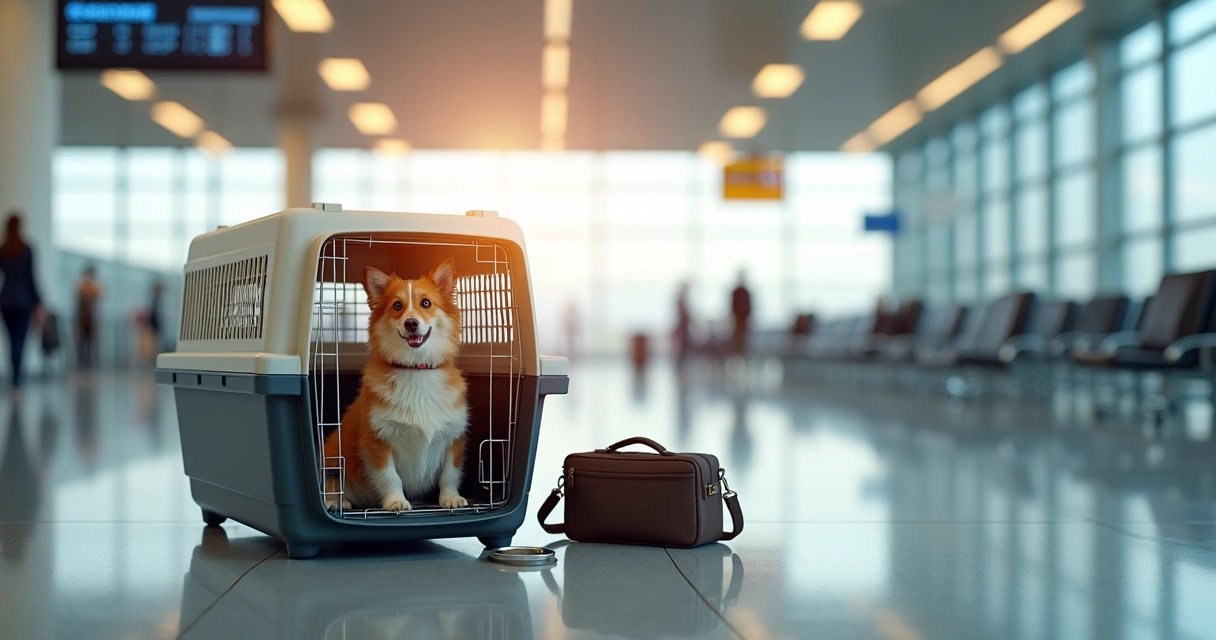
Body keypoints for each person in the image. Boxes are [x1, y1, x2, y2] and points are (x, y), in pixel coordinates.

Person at [0, 212, 46, 393]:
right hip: (23, 302)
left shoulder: (2, 250)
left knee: (11, 342)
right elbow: (31, 279)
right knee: (20, 342)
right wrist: (39, 302)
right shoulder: (27, 250)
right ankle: (16, 383)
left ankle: (14, 381)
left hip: (6, 301)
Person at [75, 265, 102, 369]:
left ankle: (90, 362)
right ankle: (81, 362)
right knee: (81, 342)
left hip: (91, 319)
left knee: (91, 342)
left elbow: (98, 297)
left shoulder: (93, 288)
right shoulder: (81, 286)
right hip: (82, 319)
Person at [729, 270, 752, 358]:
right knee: (736, 342)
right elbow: (732, 307)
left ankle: (743, 356)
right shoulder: (735, 292)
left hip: (744, 321)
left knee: (744, 342)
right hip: (736, 321)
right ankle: (736, 357)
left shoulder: (746, 292)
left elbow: (749, 308)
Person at [673, 282, 693, 367]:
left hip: (684, 326)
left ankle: (682, 364)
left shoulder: (682, 298)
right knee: (682, 346)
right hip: (682, 326)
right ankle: (681, 365)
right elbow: (684, 313)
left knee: (683, 347)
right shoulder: (681, 299)